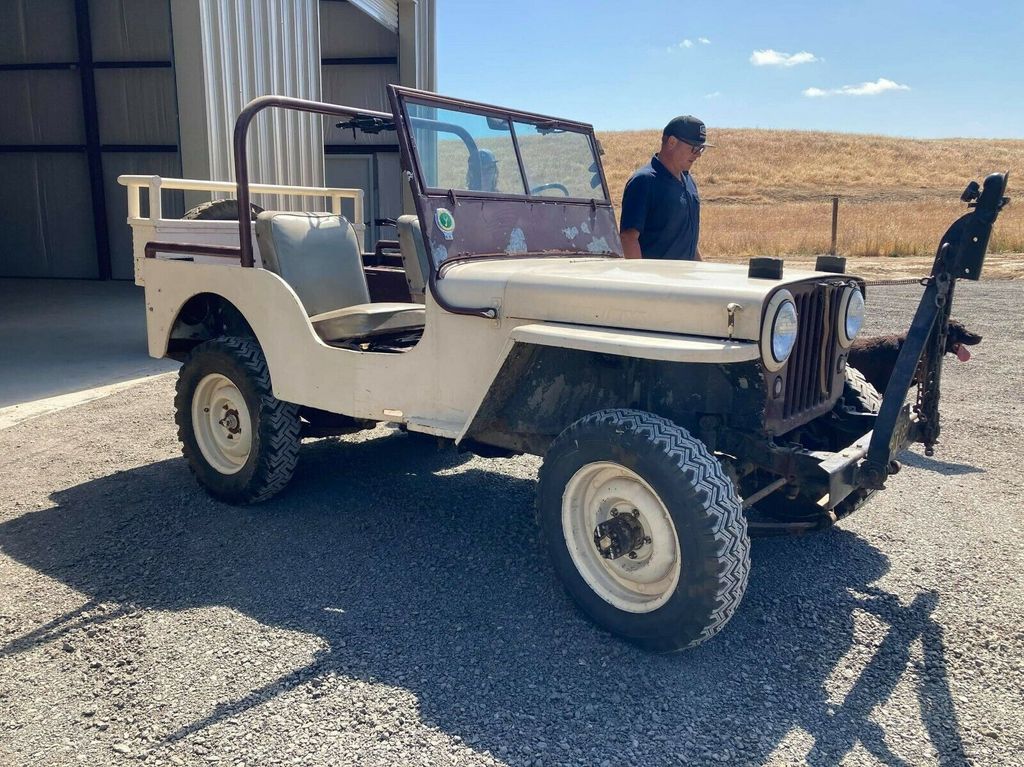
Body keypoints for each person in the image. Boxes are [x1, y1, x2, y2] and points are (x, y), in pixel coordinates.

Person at [619, 115, 712, 261]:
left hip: (684, 280)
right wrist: (640, 281)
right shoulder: (644, 181)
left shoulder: (689, 182)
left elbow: (687, 240)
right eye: (694, 148)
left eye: (701, 149)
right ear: (672, 142)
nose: (698, 155)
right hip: (658, 280)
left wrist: (700, 272)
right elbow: (629, 238)